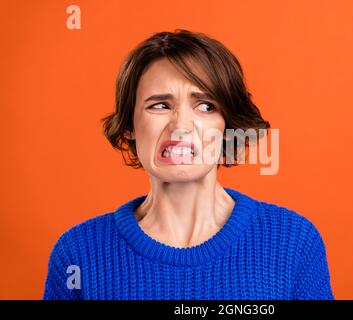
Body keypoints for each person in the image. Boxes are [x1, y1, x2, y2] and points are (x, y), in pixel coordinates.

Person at [43, 29, 334, 300]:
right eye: (160, 105)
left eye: (206, 106)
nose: (181, 126)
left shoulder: (293, 242)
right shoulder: (78, 254)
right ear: (130, 125)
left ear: (228, 126)